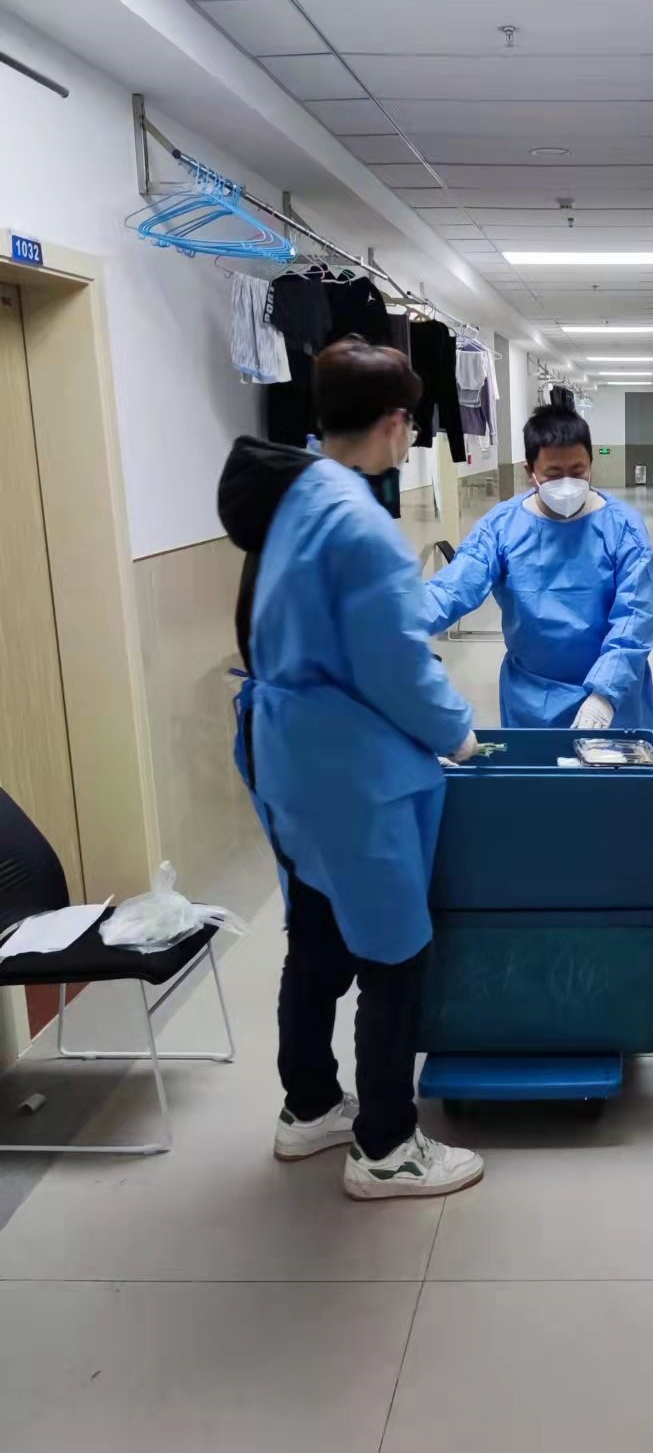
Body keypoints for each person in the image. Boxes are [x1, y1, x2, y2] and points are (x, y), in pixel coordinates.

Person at [217, 337, 485, 1202]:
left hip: (288, 760)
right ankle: (386, 1146)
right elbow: (396, 664)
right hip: (352, 774)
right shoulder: (361, 524)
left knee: (317, 932)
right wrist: (457, 732)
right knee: (394, 952)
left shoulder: (297, 493)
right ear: (397, 422)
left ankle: (307, 1107)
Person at [420, 404, 653, 729]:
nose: (567, 483)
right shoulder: (502, 528)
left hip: (612, 698)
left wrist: (605, 695)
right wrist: (397, 622)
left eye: (578, 471)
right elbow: (454, 586)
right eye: (554, 474)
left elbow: (636, 617)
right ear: (529, 470)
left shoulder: (623, 528)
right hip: (532, 699)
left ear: (591, 463)